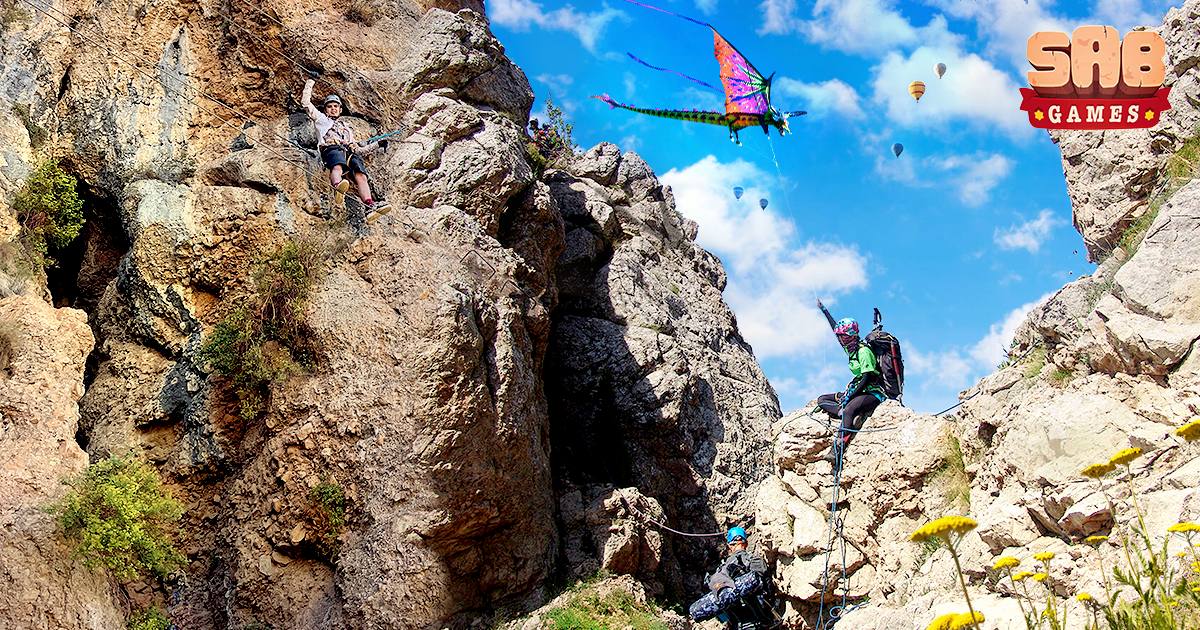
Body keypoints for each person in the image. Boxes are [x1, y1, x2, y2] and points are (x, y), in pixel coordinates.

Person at [301, 77, 390, 221]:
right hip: (331, 148)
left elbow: (359, 150)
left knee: (361, 175)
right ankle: (337, 186)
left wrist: (378, 144)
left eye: (336, 106)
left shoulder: (347, 129)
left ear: (340, 110)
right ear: (325, 110)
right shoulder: (321, 119)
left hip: (348, 151)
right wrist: (310, 82)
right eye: (330, 106)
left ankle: (369, 206)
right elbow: (305, 103)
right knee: (338, 166)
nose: (333, 109)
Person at [816, 299, 885, 465]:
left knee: (849, 410)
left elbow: (868, 376)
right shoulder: (851, 348)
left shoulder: (863, 351)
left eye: (843, 337)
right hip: (858, 389)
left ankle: (838, 448)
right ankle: (844, 413)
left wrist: (851, 395)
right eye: (840, 337)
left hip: (873, 392)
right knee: (821, 400)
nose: (840, 340)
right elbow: (835, 328)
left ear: (851, 336)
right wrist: (824, 309)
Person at [706, 527, 772, 630]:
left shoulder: (721, 570)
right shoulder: (755, 560)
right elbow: (768, 588)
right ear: (745, 543)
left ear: (730, 546)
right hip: (759, 619)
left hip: (738, 624)